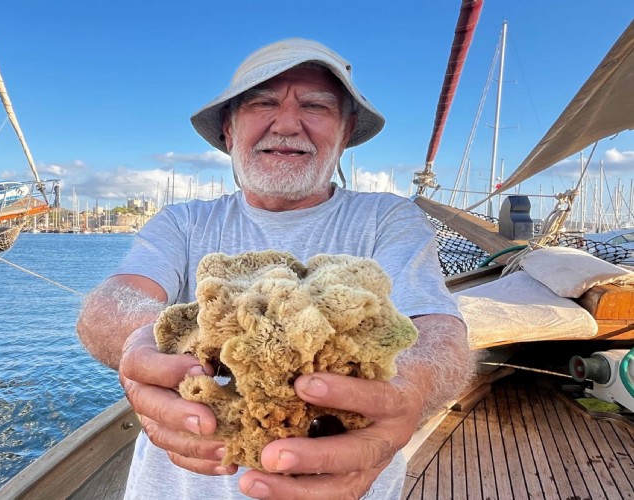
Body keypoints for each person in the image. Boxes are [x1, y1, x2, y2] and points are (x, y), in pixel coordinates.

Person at [78, 38, 472, 500]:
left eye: (315, 105)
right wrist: (149, 340)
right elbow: (108, 303)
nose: (286, 124)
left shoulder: (387, 218)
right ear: (229, 131)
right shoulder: (183, 222)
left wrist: (413, 384)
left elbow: (437, 330)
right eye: (262, 103)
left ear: (344, 133)